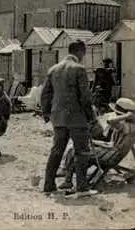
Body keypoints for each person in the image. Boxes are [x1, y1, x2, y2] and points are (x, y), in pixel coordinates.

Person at [41, 40, 96, 196]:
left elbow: (45, 95)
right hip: (77, 118)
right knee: (82, 152)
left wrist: (47, 114)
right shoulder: (79, 69)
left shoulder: (53, 69)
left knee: (56, 151)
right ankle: (82, 188)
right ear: (80, 52)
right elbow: (85, 97)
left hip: (58, 118)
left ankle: (49, 185)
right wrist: (90, 116)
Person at [58, 98, 135, 190]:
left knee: (79, 152)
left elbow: (111, 121)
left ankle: (71, 180)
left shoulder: (128, 126)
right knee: (77, 148)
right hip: (111, 152)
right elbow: (111, 143)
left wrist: (126, 116)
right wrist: (95, 142)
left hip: (112, 156)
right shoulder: (126, 125)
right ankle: (68, 178)